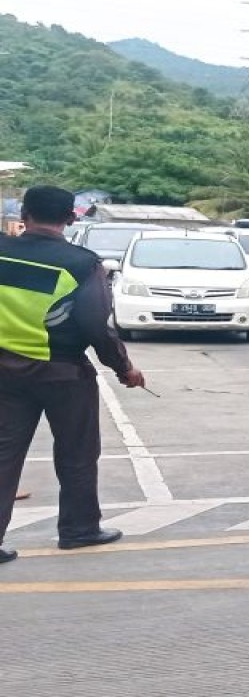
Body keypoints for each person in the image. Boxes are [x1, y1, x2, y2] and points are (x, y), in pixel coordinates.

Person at [0, 185, 146, 565]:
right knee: (77, 453)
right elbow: (97, 327)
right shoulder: (81, 264)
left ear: (24, 214)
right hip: (63, 373)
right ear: (70, 218)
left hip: (4, 373)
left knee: (3, 454)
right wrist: (124, 368)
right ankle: (79, 530)